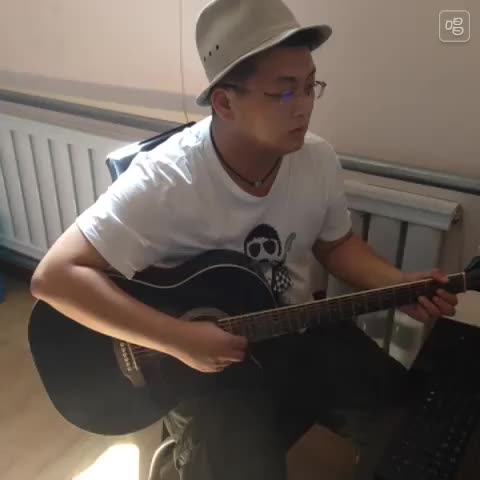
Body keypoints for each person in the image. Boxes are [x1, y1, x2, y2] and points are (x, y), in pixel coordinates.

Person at [31, 0, 458, 478]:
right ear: (224, 102)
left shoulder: (317, 160)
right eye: (283, 92)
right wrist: (179, 339)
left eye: (310, 86)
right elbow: (54, 277)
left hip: (297, 332)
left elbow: (335, 245)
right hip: (202, 367)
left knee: (417, 421)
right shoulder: (166, 181)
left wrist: (396, 283)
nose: (304, 106)